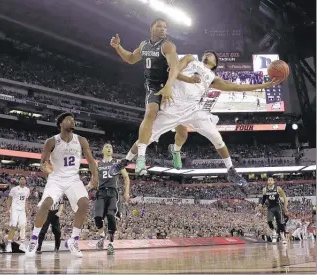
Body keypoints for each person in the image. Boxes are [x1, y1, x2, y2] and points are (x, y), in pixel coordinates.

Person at [110, 52, 281, 185]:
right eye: (207, 53)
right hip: (172, 107)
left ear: (215, 63)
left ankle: (231, 171)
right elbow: (174, 69)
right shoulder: (191, 59)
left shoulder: (213, 78)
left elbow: (237, 86)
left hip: (193, 110)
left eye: (212, 55)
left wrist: (266, 85)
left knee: (217, 138)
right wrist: (175, 82)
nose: (208, 54)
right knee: (145, 138)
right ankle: (125, 161)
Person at [110, 18, 179, 175]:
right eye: (159, 26)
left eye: (165, 27)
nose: (163, 29)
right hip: (153, 86)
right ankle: (139, 158)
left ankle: (176, 150)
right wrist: (118, 47)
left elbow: (175, 68)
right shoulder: (144, 45)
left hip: (169, 86)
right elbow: (131, 59)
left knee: (181, 128)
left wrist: (168, 86)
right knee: (150, 113)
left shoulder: (167, 45)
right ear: (151, 28)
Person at [26, 112, 98, 257]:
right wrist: (46, 168)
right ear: (61, 124)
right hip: (56, 178)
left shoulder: (81, 140)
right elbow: (43, 162)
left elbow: (91, 161)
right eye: (69, 120)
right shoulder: (51, 141)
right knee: (46, 204)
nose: (73, 122)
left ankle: (74, 240)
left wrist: (95, 176)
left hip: (73, 178)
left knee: (84, 203)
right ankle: (33, 240)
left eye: (73, 120)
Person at [94, 143, 130, 255]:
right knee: (97, 217)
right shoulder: (98, 164)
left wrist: (126, 192)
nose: (109, 148)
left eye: (111, 147)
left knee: (111, 215)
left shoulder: (116, 163)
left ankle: (111, 244)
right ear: (102, 150)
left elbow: (126, 177)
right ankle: (101, 236)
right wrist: (87, 187)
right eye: (107, 147)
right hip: (101, 192)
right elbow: (94, 180)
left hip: (113, 192)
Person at [258, 177, 288, 244]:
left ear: (274, 181)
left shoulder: (278, 188)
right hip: (270, 207)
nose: (270, 181)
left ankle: (283, 236)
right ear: (267, 182)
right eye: (269, 180)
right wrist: (261, 204)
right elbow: (264, 199)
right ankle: (274, 232)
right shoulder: (265, 189)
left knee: (281, 222)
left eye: (271, 180)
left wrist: (285, 207)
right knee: (269, 221)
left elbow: (284, 197)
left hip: (278, 207)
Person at [6, 176, 30, 252]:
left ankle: (22, 244)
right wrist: (8, 209)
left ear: (25, 181)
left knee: (23, 226)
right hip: (14, 209)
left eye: (23, 179)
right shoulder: (14, 189)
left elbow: (26, 200)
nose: (22, 180)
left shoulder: (27, 190)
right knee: (13, 226)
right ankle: (9, 244)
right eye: (21, 179)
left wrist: (27, 210)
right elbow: (9, 199)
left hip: (22, 210)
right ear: (19, 181)